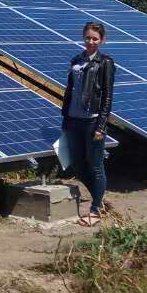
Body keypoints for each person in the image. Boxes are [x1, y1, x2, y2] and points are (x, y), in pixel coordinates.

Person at [58, 21, 115, 227]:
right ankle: (100, 200)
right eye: (88, 37)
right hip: (73, 120)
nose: (90, 41)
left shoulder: (105, 63)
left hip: (93, 122)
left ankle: (95, 209)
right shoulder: (76, 60)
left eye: (95, 38)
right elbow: (69, 91)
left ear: (101, 40)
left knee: (96, 165)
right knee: (78, 164)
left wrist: (101, 126)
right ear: (83, 37)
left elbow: (107, 97)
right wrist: (65, 118)